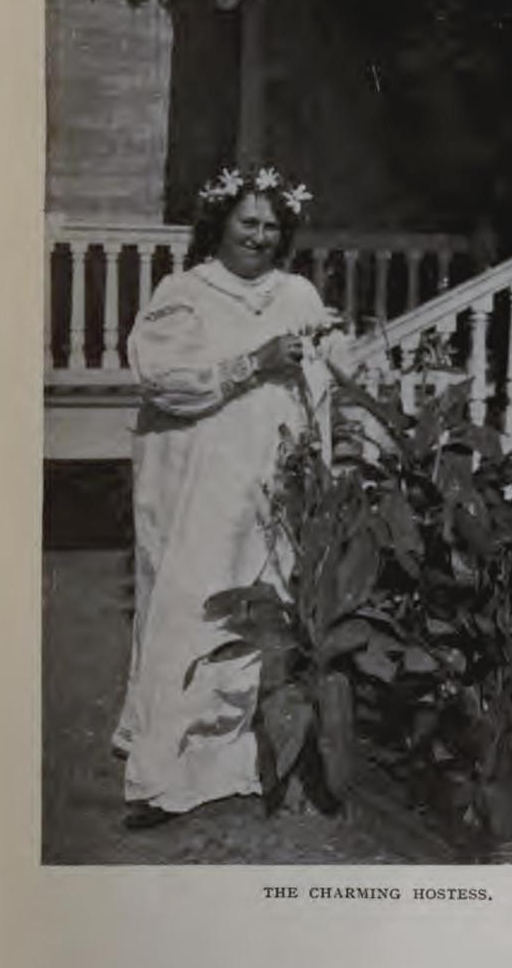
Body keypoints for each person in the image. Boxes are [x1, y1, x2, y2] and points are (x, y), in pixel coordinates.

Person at [112, 166, 346, 828]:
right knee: (192, 607)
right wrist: (252, 362)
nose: (260, 236)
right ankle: (164, 772)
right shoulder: (185, 293)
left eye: (272, 225)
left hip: (270, 479)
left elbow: (325, 378)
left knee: (263, 607)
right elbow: (164, 380)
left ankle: (248, 759)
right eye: (248, 221)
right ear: (220, 223)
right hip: (202, 482)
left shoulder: (297, 294)